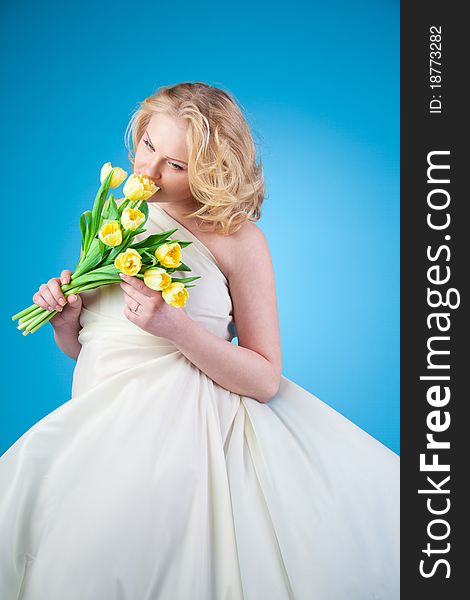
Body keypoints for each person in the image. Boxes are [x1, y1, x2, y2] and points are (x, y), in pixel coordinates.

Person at [0, 82, 399, 599]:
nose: (147, 171)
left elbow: (264, 377)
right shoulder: (117, 222)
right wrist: (66, 321)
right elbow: (97, 352)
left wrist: (176, 327)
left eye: (176, 165)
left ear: (212, 171)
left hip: (184, 443)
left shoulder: (238, 239)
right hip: (96, 425)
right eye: (148, 146)